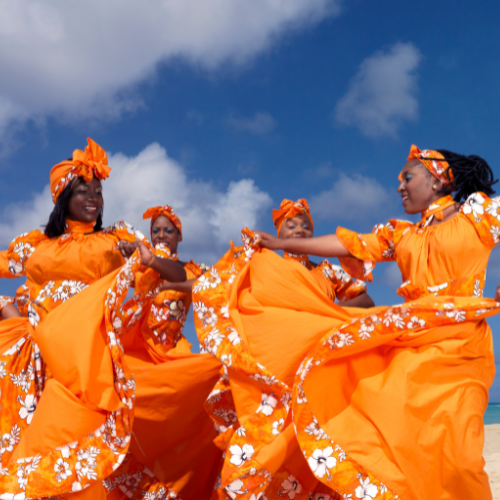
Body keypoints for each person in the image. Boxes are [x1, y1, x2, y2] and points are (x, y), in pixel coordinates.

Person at [228, 145, 499, 499]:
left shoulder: (478, 215)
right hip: (411, 343)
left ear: (438, 179)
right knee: (399, 438)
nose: (399, 186)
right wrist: (278, 242)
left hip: (462, 348)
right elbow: (347, 244)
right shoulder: (402, 234)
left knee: (461, 453)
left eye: (407, 177)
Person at [0, 138, 194, 499]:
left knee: (74, 439)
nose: (93, 197)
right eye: (83, 190)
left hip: (85, 356)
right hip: (38, 355)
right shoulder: (36, 245)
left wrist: (148, 259)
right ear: (63, 198)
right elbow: (5, 264)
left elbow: (177, 274)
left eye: (98, 191)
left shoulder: (115, 239)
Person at [104, 206, 222, 499]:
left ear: (179, 236)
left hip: (171, 353)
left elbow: (189, 278)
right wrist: (120, 248)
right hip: (139, 348)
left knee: (216, 378)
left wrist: (152, 261)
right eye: (155, 230)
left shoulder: (194, 269)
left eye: (167, 230)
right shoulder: (141, 265)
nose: (161, 235)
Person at [272, 198, 374, 308]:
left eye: (306, 227)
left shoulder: (329, 272)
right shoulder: (271, 270)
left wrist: (328, 311)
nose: (299, 230)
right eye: (291, 226)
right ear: (279, 234)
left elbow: (366, 302)